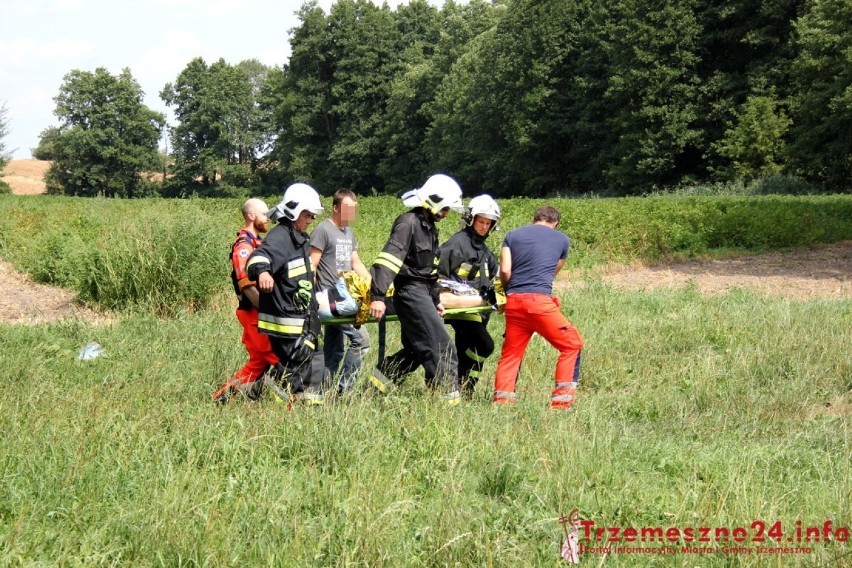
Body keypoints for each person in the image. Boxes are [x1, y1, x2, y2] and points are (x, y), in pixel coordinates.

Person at [367, 174, 465, 404]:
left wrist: (435, 298)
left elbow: (429, 270)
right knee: (443, 347)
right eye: (446, 208)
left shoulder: (429, 227)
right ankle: (450, 404)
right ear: (435, 201)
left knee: (416, 349)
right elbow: (389, 259)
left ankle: (374, 387)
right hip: (409, 293)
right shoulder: (408, 223)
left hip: (421, 293)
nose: (447, 213)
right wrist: (378, 296)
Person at [492, 205, 584, 410]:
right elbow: (553, 271)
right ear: (555, 223)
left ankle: (502, 403)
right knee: (572, 344)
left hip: (514, 302)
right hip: (540, 303)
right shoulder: (562, 240)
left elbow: (505, 270)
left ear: (534, 219)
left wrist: (509, 291)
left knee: (511, 354)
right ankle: (561, 403)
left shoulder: (512, 235)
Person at [246, 183, 325, 405]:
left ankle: (305, 404)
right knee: (300, 361)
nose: (310, 220)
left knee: (310, 360)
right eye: (308, 215)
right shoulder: (280, 236)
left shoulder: (298, 239)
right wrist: (263, 272)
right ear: (294, 210)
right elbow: (257, 258)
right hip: (285, 320)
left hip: (300, 317)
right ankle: (253, 392)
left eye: (312, 216)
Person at [213, 198, 279, 404]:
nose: (268, 219)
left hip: (258, 313)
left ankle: (222, 399)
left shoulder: (258, 242)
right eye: (264, 215)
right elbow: (247, 285)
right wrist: (270, 311)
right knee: (278, 358)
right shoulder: (244, 246)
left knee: (257, 364)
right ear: (251, 216)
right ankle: (286, 401)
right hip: (254, 314)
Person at [437, 194, 501, 397]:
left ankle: (463, 388)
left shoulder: (484, 250)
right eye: (481, 221)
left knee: (465, 348)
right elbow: (437, 275)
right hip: (457, 307)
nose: (484, 226)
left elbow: (496, 275)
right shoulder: (457, 244)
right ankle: (462, 385)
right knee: (484, 344)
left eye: (488, 223)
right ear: (470, 219)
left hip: (475, 309)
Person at [310, 188, 371, 394]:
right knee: (361, 341)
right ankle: (343, 392)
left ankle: (318, 392)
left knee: (334, 351)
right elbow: (312, 266)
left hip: (348, 297)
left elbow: (355, 262)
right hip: (331, 300)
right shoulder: (323, 230)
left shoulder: (348, 232)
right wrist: (313, 300)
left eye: (354, 210)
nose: (351, 214)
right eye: (347, 209)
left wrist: (373, 284)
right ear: (335, 208)